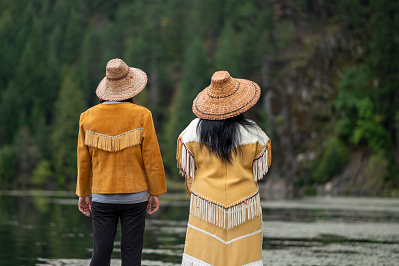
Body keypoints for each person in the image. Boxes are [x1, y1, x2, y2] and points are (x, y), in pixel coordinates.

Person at [76, 58, 167, 266]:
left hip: (102, 195)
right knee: (132, 254)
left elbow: (83, 161)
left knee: (100, 253)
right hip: (136, 197)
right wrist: (155, 192)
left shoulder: (87, 117)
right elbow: (152, 158)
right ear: (131, 89)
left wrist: (83, 194)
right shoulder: (142, 115)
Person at [177, 71, 271, 266]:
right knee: (244, 257)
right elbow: (258, 167)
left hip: (204, 204)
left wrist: (193, 189)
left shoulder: (193, 130)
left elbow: (188, 169)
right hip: (245, 205)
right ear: (239, 103)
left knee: (204, 256)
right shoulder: (253, 131)